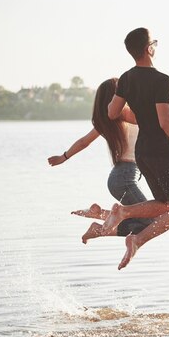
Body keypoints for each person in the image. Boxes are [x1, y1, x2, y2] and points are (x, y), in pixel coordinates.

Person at [100, 27, 169, 270]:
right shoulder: (162, 80)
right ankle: (133, 231)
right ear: (149, 48)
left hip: (142, 152)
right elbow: (167, 123)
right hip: (163, 151)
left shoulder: (125, 78)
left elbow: (112, 112)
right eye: (154, 42)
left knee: (165, 204)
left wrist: (140, 115)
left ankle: (126, 217)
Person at [47, 78, 151, 243]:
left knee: (144, 219)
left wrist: (64, 157)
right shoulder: (131, 114)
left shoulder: (108, 121)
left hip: (119, 177)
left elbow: (84, 142)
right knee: (151, 221)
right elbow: (151, 115)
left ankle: (100, 214)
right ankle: (99, 230)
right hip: (126, 177)